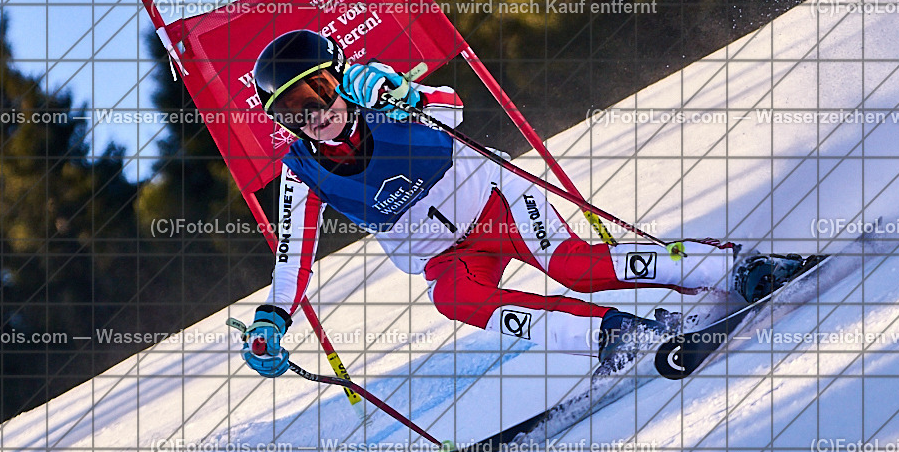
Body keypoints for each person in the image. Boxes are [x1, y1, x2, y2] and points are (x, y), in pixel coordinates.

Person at [242, 30, 806, 377]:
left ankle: (734, 266)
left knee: (574, 266)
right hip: (444, 253)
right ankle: (612, 335)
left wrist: (403, 95)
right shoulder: (303, 170)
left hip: (496, 202)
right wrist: (272, 319)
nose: (313, 115)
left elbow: (451, 107)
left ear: (339, 78)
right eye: (292, 111)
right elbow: (293, 256)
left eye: (316, 92)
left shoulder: (383, 98)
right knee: (457, 298)